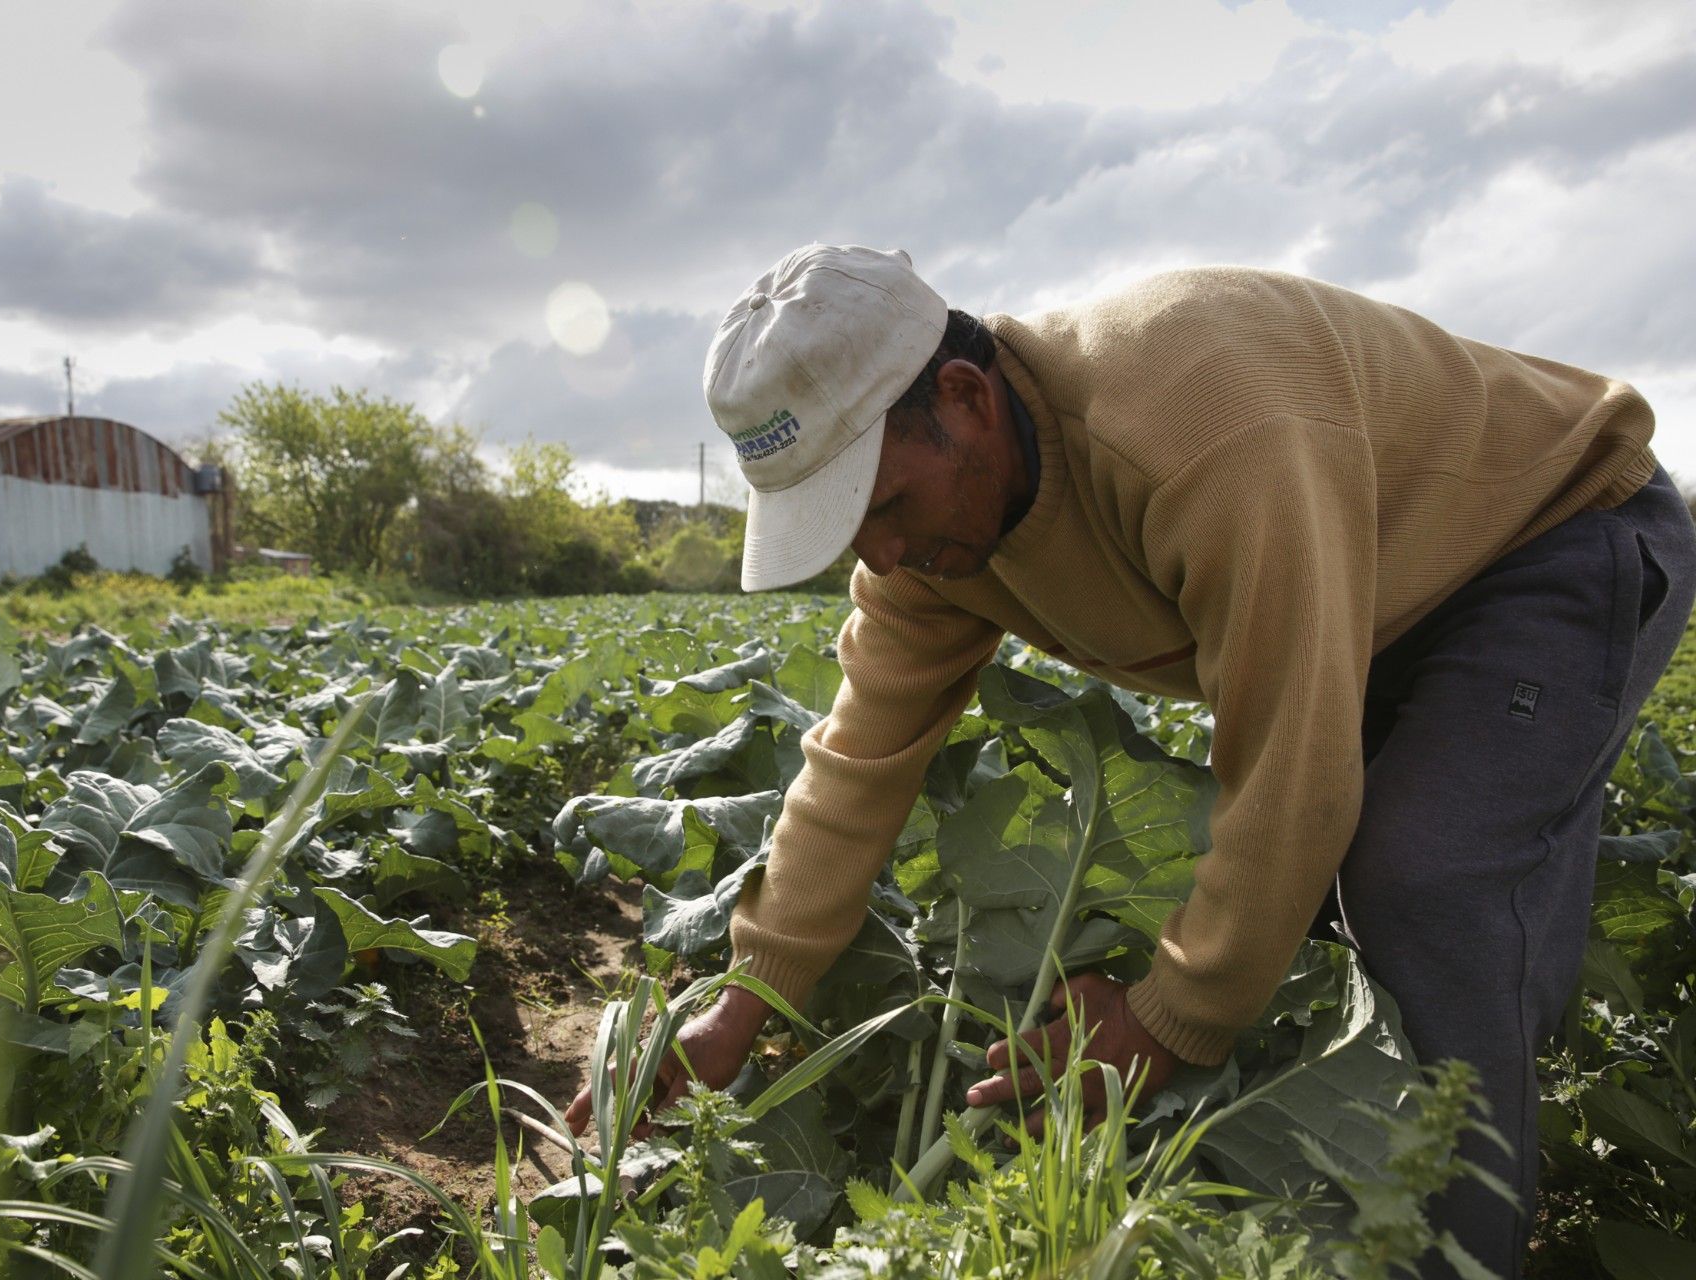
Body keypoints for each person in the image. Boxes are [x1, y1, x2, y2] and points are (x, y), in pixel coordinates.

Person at [564, 243, 1696, 1278]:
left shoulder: (1199, 423)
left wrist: (1165, 1019)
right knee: (1312, 928)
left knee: (1423, 879)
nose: (884, 549)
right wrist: (749, 993)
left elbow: (1294, 773)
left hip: (1552, 536)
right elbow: (858, 756)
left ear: (962, 396)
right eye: (843, 525)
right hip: (1371, 590)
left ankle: (1458, 1245)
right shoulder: (931, 550)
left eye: (881, 500)